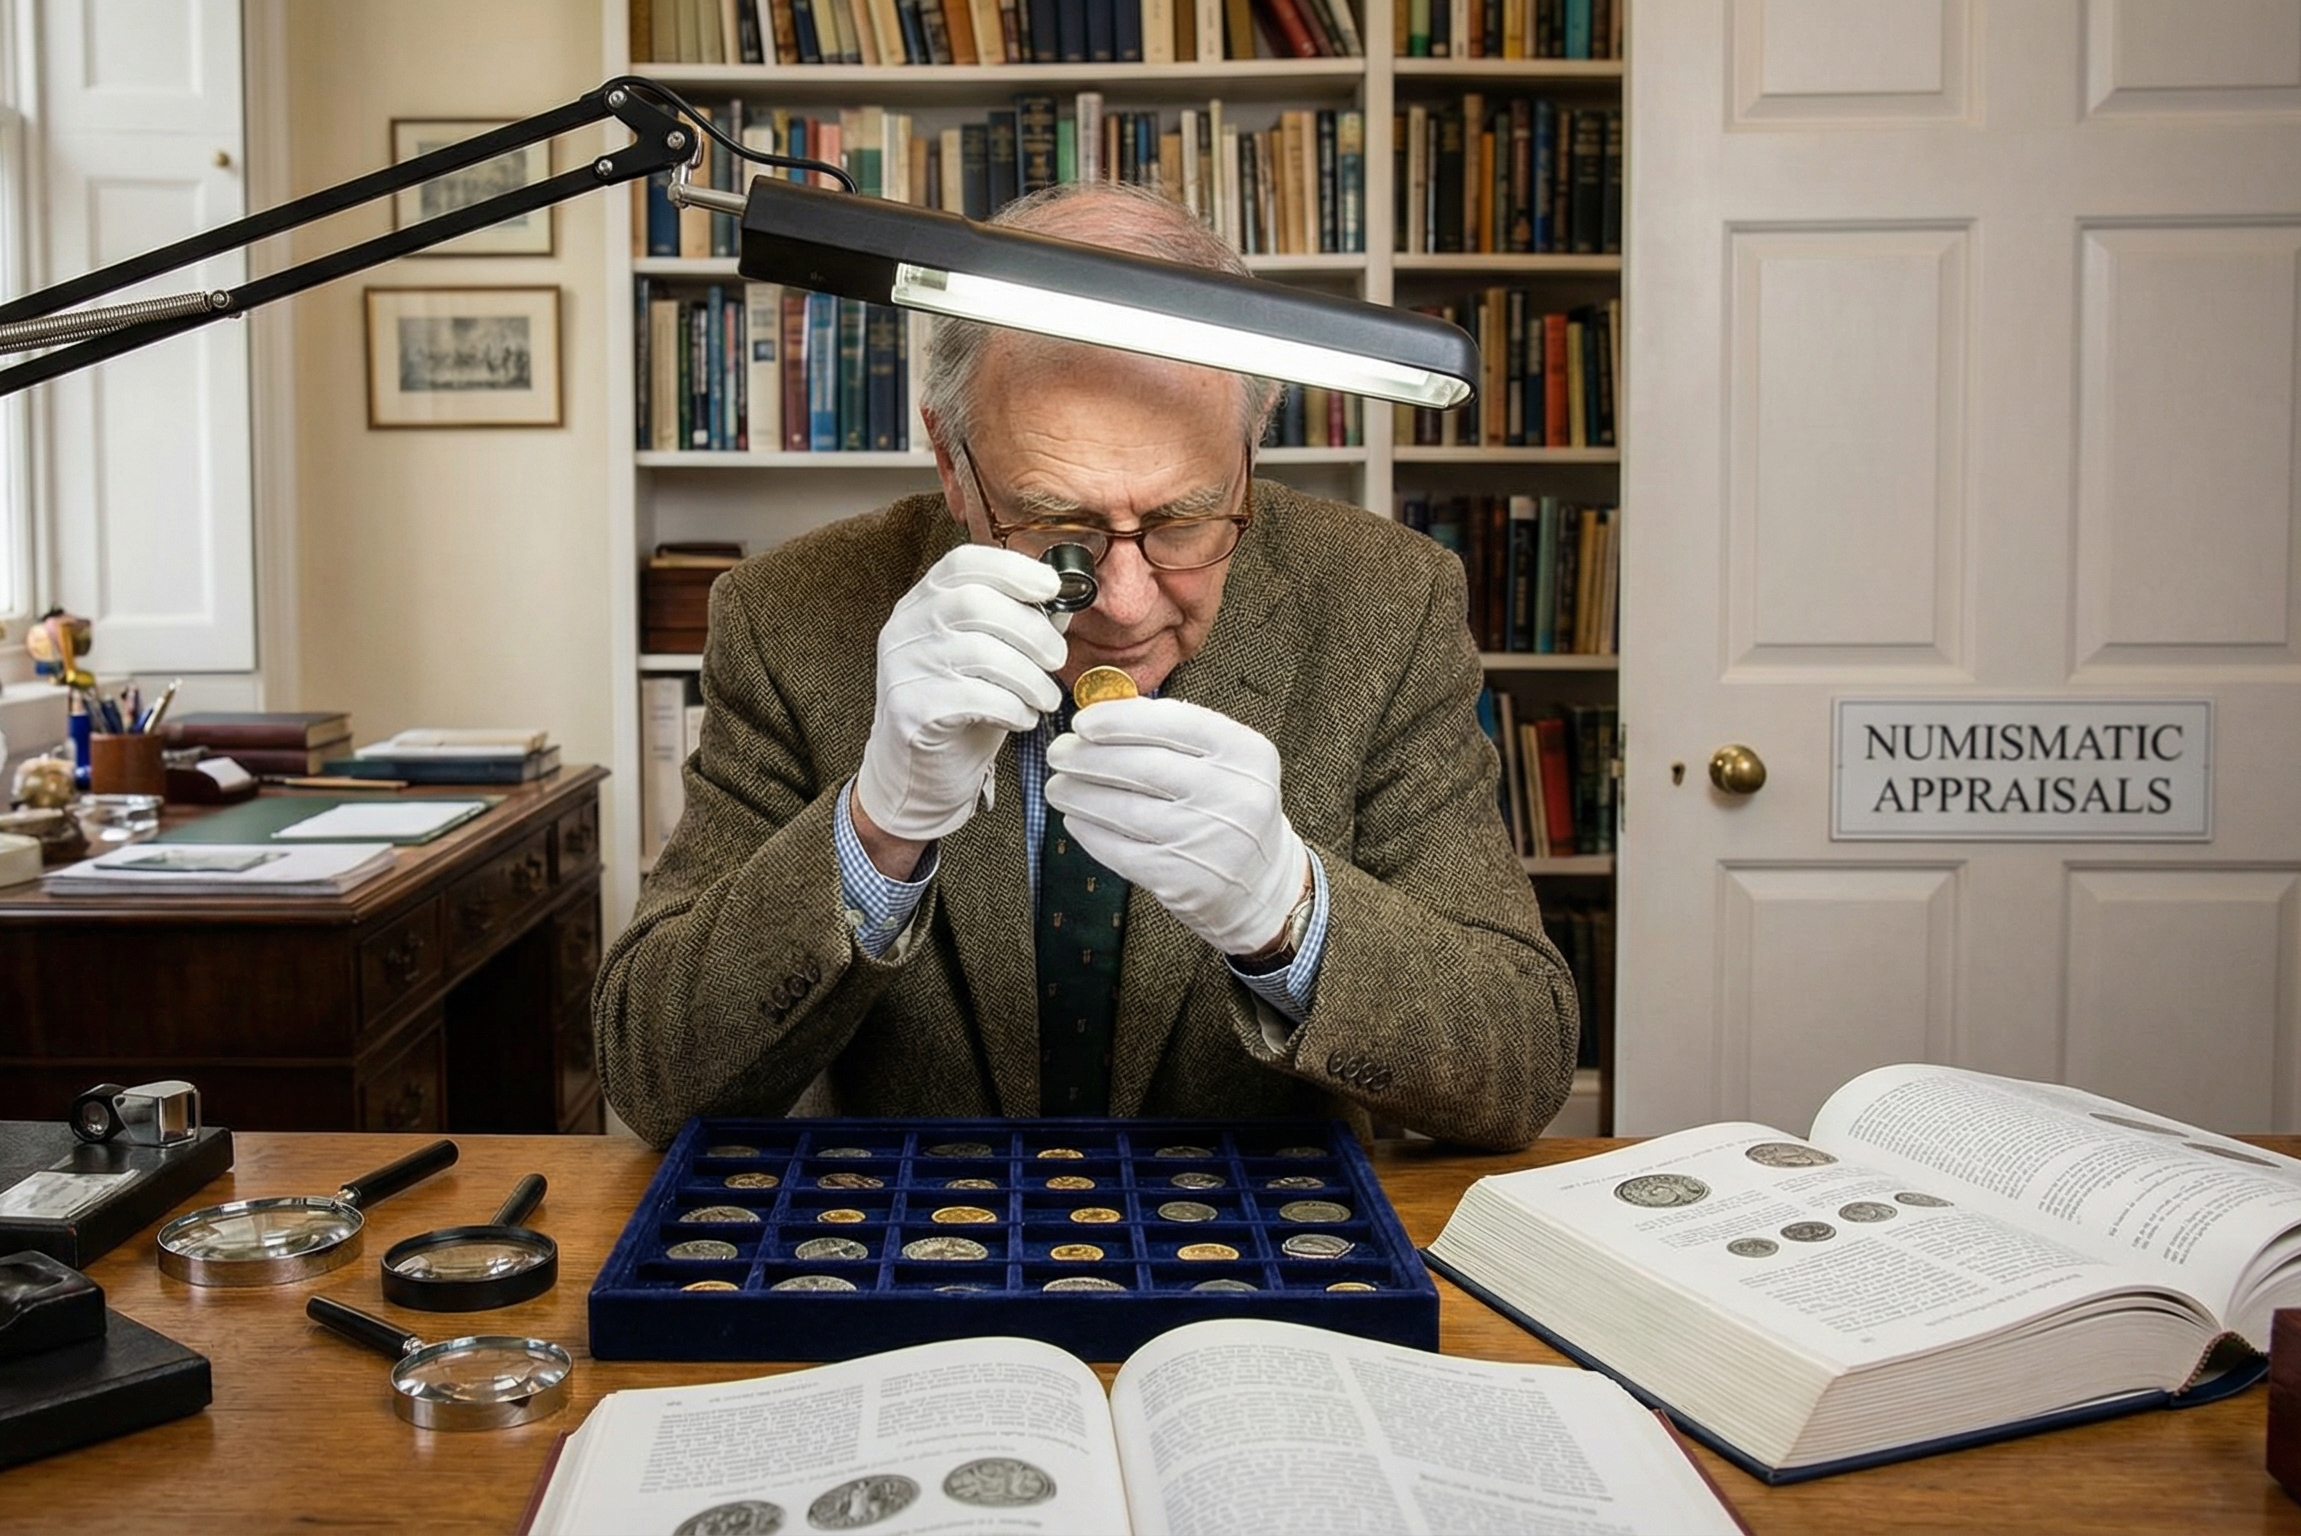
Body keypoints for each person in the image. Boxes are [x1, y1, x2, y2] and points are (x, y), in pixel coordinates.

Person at [594, 181, 1578, 1150]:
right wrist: (874, 828)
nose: (1122, 601)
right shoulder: (791, 613)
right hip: (919, 1244)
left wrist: (1288, 913)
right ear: (950, 462)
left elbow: (1520, 1065)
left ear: (1249, 454)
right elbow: (654, 1075)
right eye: (1058, 525)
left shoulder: (1383, 602)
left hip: (1259, 1251)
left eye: (1184, 519)